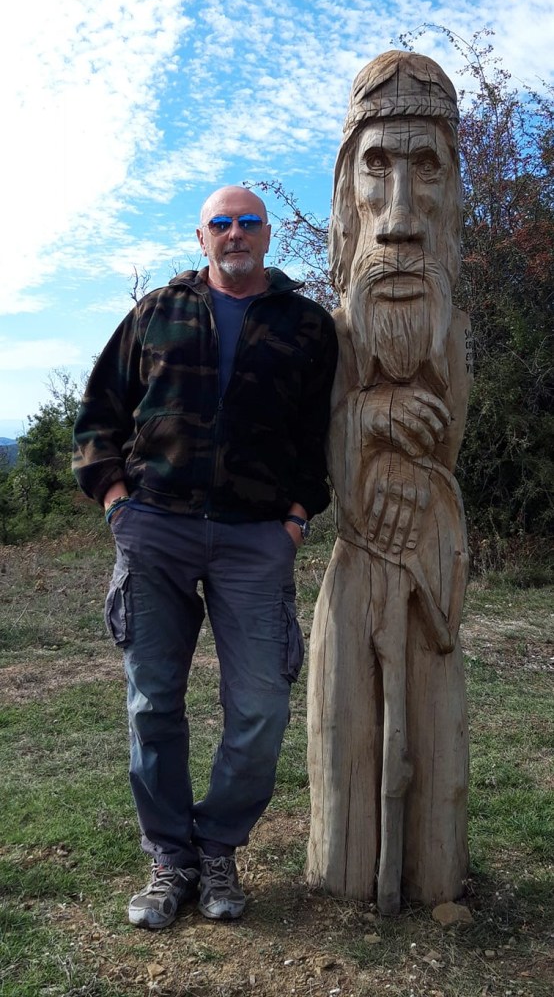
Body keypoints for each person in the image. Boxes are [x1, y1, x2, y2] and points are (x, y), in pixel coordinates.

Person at [72, 185, 338, 929]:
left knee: (259, 709)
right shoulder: (157, 313)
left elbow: (320, 433)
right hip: (154, 526)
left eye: (248, 222)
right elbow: (97, 416)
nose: (235, 234)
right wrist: (117, 505)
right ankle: (170, 857)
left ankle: (216, 845)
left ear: (268, 234)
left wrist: (295, 516)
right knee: (152, 703)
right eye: (221, 223)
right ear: (201, 237)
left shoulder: (307, 326)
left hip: (257, 538)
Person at [306, 52, 472, 912]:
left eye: (427, 170)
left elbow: (451, 444)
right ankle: (343, 876)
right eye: (378, 167)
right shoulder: (334, 330)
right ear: (347, 190)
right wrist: (364, 420)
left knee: (437, 751)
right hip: (355, 567)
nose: (401, 218)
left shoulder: (453, 328)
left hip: (431, 574)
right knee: (346, 738)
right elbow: (322, 448)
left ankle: (435, 878)